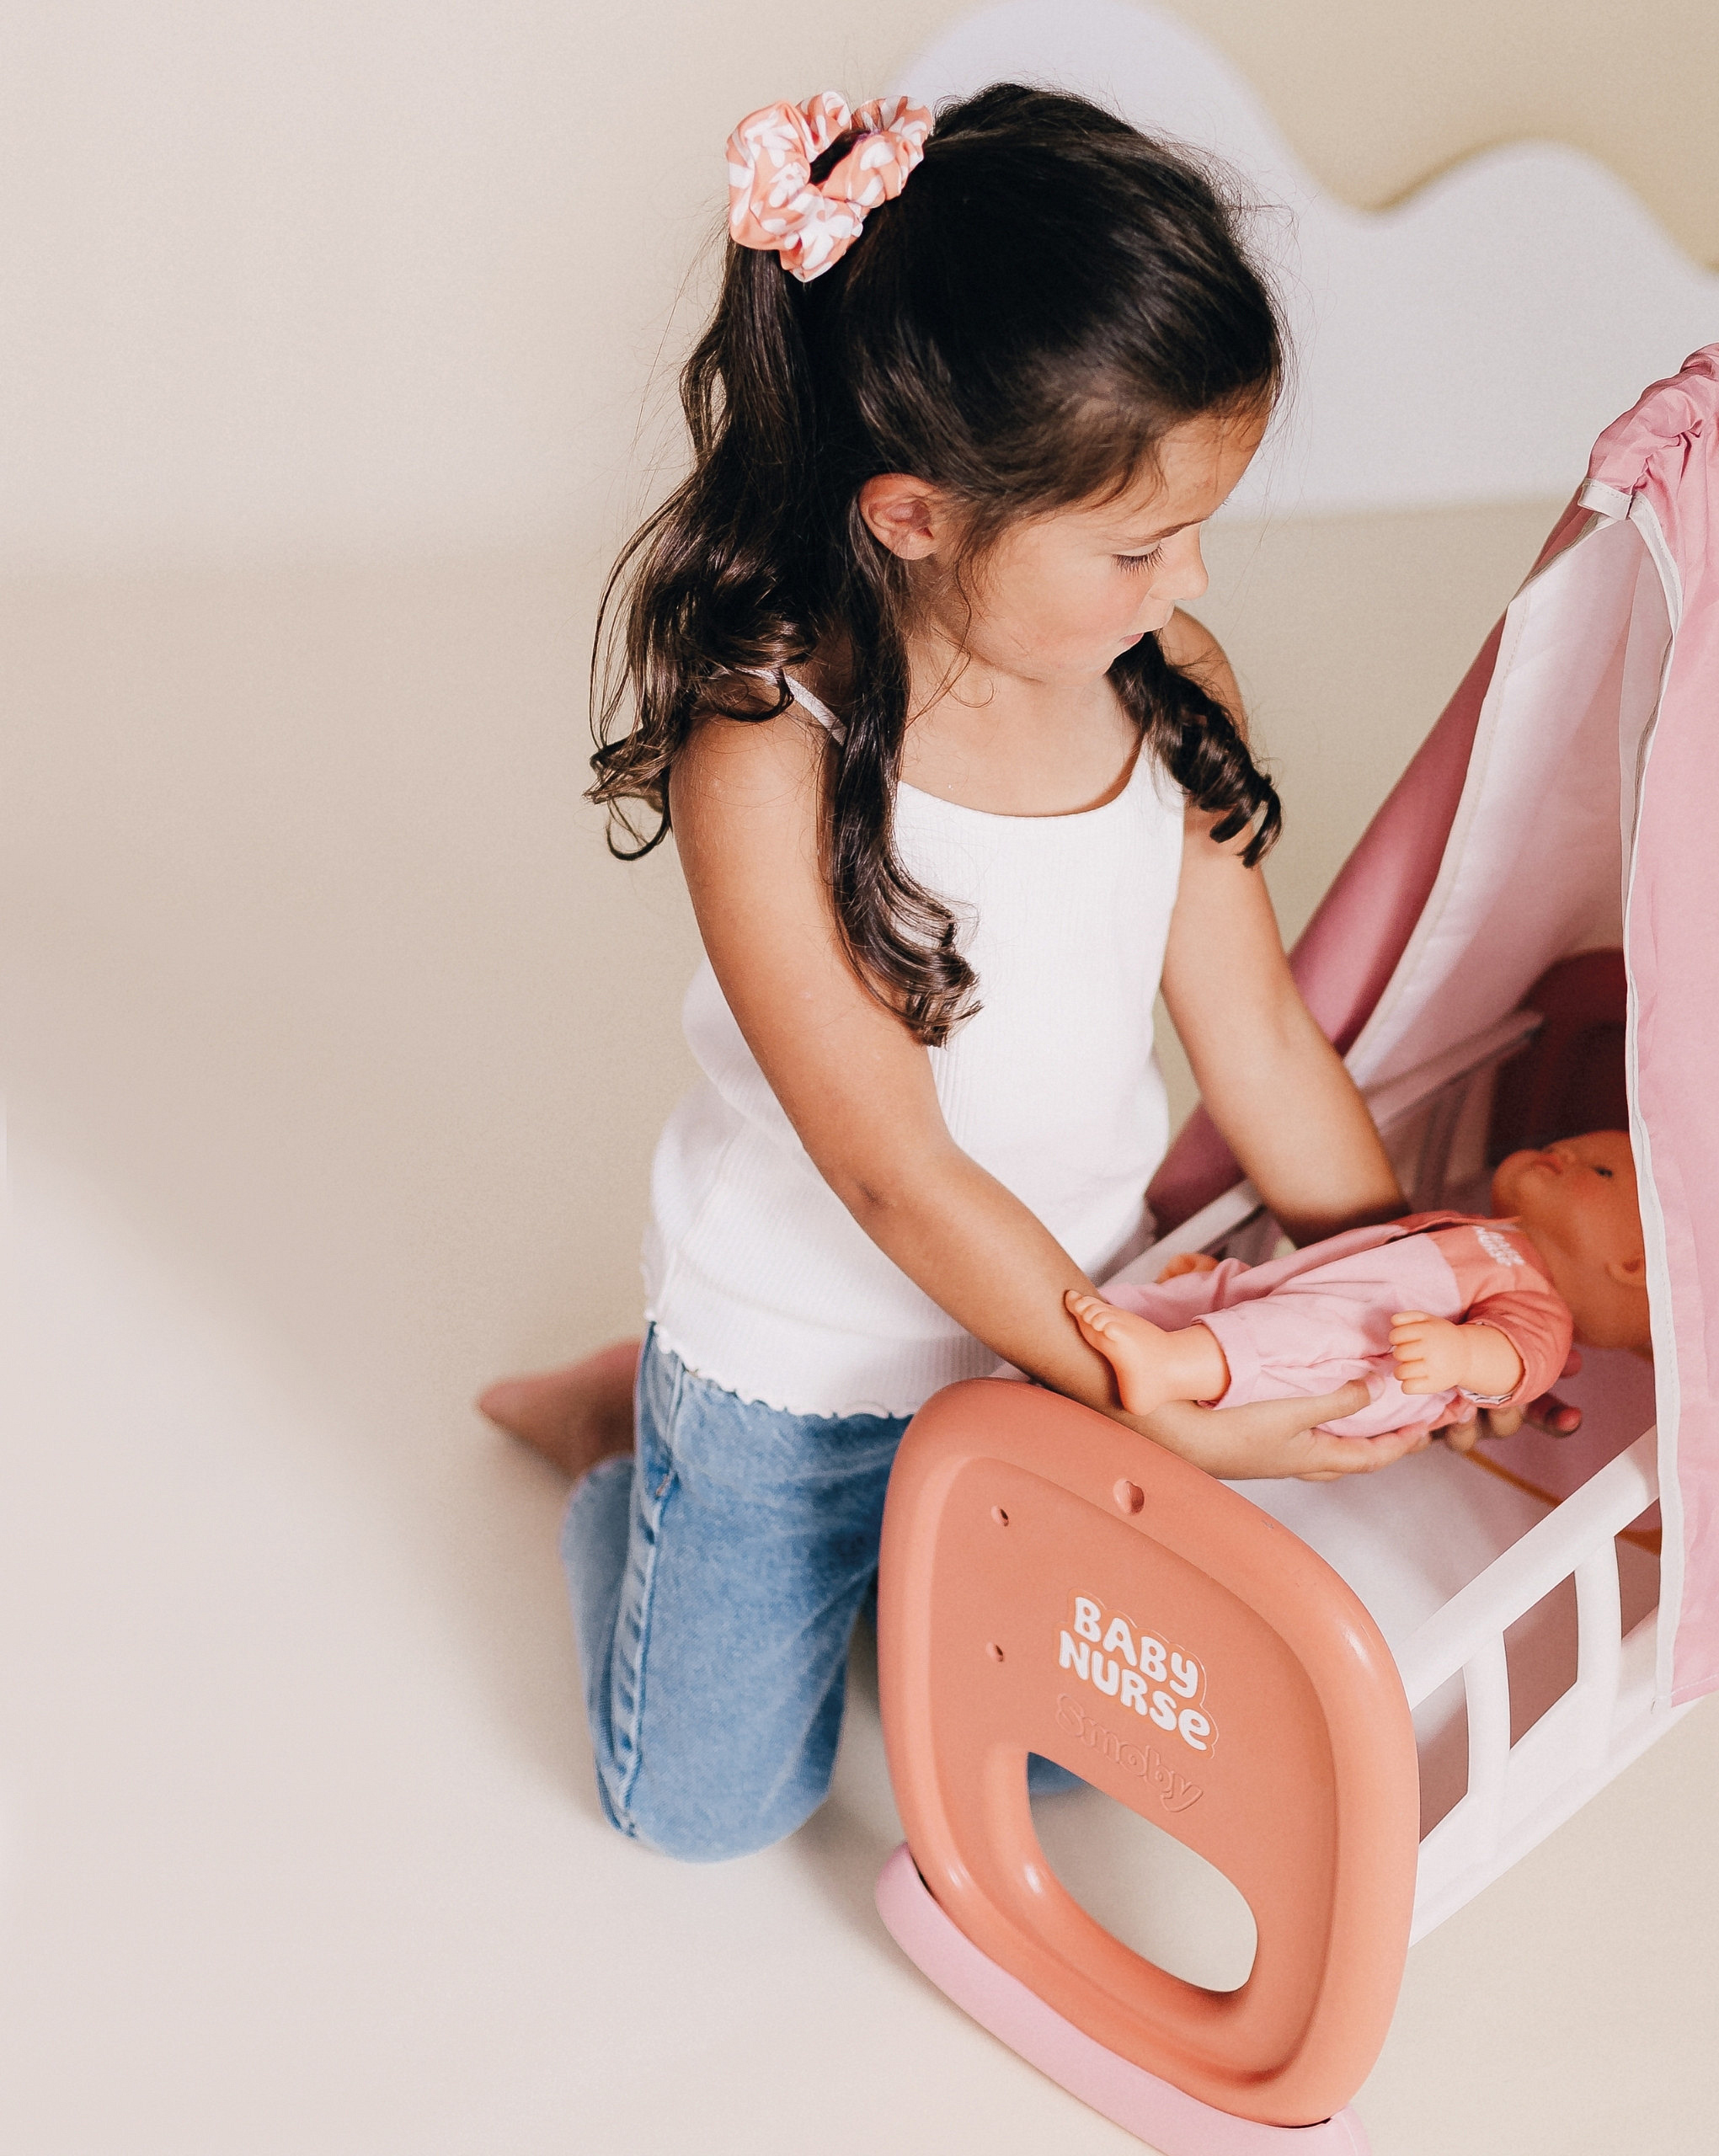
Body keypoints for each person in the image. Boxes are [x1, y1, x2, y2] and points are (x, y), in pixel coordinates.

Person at [480, 83, 1562, 1864]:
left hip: (1064, 1334)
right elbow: (891, 1172)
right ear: (912, 515)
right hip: (809, 1370)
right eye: (1136, 544)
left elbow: (1258, 1035)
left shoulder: (1164, 678)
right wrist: (1143, 1389)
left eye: (1197, 527)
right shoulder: (766, 749)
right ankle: (630, 1451)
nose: (1187, 579)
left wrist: (1403, 1274)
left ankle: (860, 1559)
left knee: (1065, 1766)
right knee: (700, 1816)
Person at [1067, 1130, 1650, 1439]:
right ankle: (1137, 1316)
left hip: (1375, 1360)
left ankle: (1172, 1364)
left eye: (1601, 1171)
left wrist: (1461, 1354)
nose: (1563, 1151)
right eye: (1566, 1146)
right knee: (1266, 1296)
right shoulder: (1485, 1230)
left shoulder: (1543, 1306)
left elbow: (1522, 1365)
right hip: (1335, 1302)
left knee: (1305, 1333)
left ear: (1632, 1264)